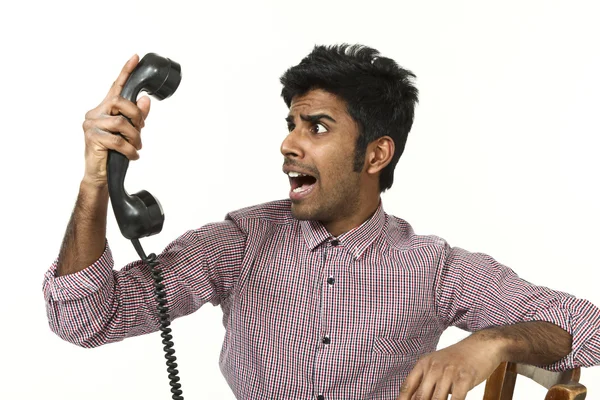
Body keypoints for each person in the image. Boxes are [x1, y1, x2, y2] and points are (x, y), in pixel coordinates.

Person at [43, 44, 600, 400]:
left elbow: (588, 328)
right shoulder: (239, 245)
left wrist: (493, 342)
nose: (287, 144)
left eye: (317, 127)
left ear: (376, 156)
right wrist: (96, 182)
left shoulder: (432, 267)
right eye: (291, 124)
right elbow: (86, 321)